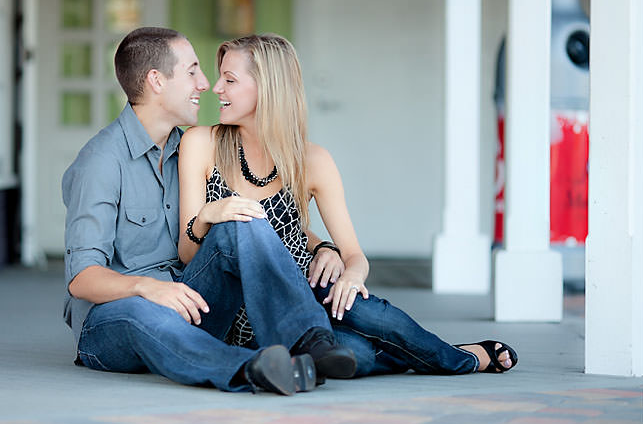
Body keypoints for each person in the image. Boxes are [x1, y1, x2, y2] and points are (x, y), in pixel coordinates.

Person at [178, 33, 518, 377]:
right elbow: (188, 255)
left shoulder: (313, 160)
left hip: (298, 307)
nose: (216, 87)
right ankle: (458, 357)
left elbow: (355, 255)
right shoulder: (201, 144)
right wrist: (209, 215)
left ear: (268, 87)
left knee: (357, 347)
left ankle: (421, 354)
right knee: (349, 338)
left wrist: (348, 273)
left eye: (230, 79)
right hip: (222, 312)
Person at [61, 26, 358, 397]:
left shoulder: (189, 148)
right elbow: (81, 278)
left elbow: (253, 213)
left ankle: (309, 340)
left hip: (187, 299)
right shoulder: (101, 162)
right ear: (156, 81)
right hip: (114, 319)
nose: (205, 84)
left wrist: (321, 247)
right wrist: (145, 287)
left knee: (236, 223)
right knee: (143, 313)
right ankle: (252, 369)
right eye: (192, 72)